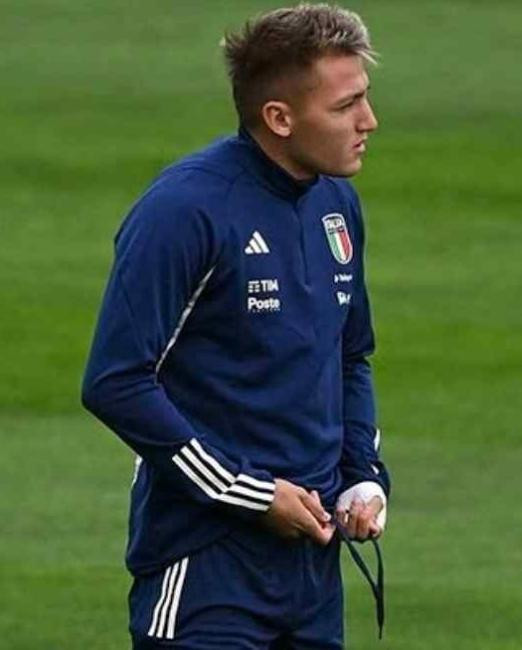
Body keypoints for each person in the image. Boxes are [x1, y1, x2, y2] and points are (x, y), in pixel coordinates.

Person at [81, 5, 388, 647]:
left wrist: (362, 473)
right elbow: (116, 382)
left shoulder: (336, 203)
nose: (369, 122)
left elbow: (349, 355)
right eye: (345, 106)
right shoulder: (186, 210)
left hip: (312, 573)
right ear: (279, 118)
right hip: (205, 568)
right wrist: (252, 495)